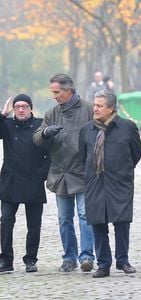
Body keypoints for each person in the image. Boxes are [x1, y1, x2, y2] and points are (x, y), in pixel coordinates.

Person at [33, 74, 95, 272]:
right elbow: (37, 138)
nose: (54, 96)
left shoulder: (89, 109)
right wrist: (45, 133)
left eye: (56, 92)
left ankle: (87, 256)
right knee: (64, 219)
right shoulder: (52, 113)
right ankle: (69, 257)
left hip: (83, 172)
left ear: (68, 90)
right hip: (60, 174)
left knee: (85, 215)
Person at [79, 89, 141, 278]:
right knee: (98, 224)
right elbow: (83, 157)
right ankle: (103, 264)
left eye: (99, 105)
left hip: (120, 183)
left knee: (122, 223)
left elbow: (136, 154)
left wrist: (123, 171)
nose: (95, 109)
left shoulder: (127, 127)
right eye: (94, 105)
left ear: (111, 108)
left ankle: (123, 260)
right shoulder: (86, 130)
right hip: (95, 183)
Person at [0, 94, 50, 273]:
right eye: (18, 106)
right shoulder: (6, 125)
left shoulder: (39, 125)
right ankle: (5, 260)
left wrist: (42, 173)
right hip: (10, 181)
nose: (21, 109)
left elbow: (50, 151)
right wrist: (2, 114)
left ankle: (31, 259)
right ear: (13, 109)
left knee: (34, 225)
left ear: (31, 108)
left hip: (33, 181)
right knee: (6, 222)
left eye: (25, 106)